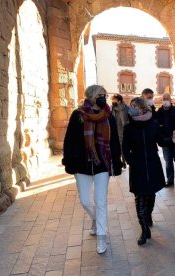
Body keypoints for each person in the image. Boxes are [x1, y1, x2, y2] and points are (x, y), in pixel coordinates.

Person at [62, 85, 123, 254]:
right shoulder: (78, 115)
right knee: (84, 200)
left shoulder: (109, 116)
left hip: (102, 163)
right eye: (101, 95)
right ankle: (96, 219)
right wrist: (69, 160)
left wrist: (117, 163)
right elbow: (69, 140)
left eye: (105, 94)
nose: (104, 97)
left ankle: (102, 236)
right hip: (82, 164)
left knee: (101, 201)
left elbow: (115, 141)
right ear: (92, 96)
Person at [122, 97, 166, 245]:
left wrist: (172, 140)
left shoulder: (153, 124)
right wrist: (131, 161)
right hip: (138, 167)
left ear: (142, 108)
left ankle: (148, 216)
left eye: (134, 106)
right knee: (139, 198)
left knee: (151, 196)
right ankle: (144, 229)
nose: (131, 108)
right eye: (131, 106)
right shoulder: (128, 127)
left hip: (153, 165)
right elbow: (125, 148)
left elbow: (161, 141)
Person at [157, 93, 175, 186]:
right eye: (164, 99)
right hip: (165, 142)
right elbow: (157, 127)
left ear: (170, 99)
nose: (165, 100)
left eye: (167, 98)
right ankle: (170, 180)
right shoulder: (159, 113)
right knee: (168, 162)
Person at [111, 94, 129, 168]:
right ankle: (120, 162)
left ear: (119, 101)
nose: (113, 102)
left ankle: (125, 161)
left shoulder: (125, 108)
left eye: (114, 100)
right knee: (117, 147)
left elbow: (125, 121)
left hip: (123, 130)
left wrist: (120, 109)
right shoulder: (112, 108)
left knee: (123, 147)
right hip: (115, 130)